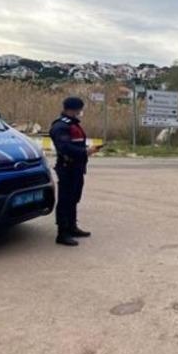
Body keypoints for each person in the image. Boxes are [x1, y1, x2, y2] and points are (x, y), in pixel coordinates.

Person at [50, 96, 98, 247]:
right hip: (67, 168)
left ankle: (72, 227)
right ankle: (62, 233)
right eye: (80, 109)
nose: (81, 112)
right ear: (74, 109)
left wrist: (85, 152)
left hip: (77, 168)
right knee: (65, 200)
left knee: (74, 198)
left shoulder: (73, 124)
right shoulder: (60, 126)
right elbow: (64, 147)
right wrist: (85, 152)